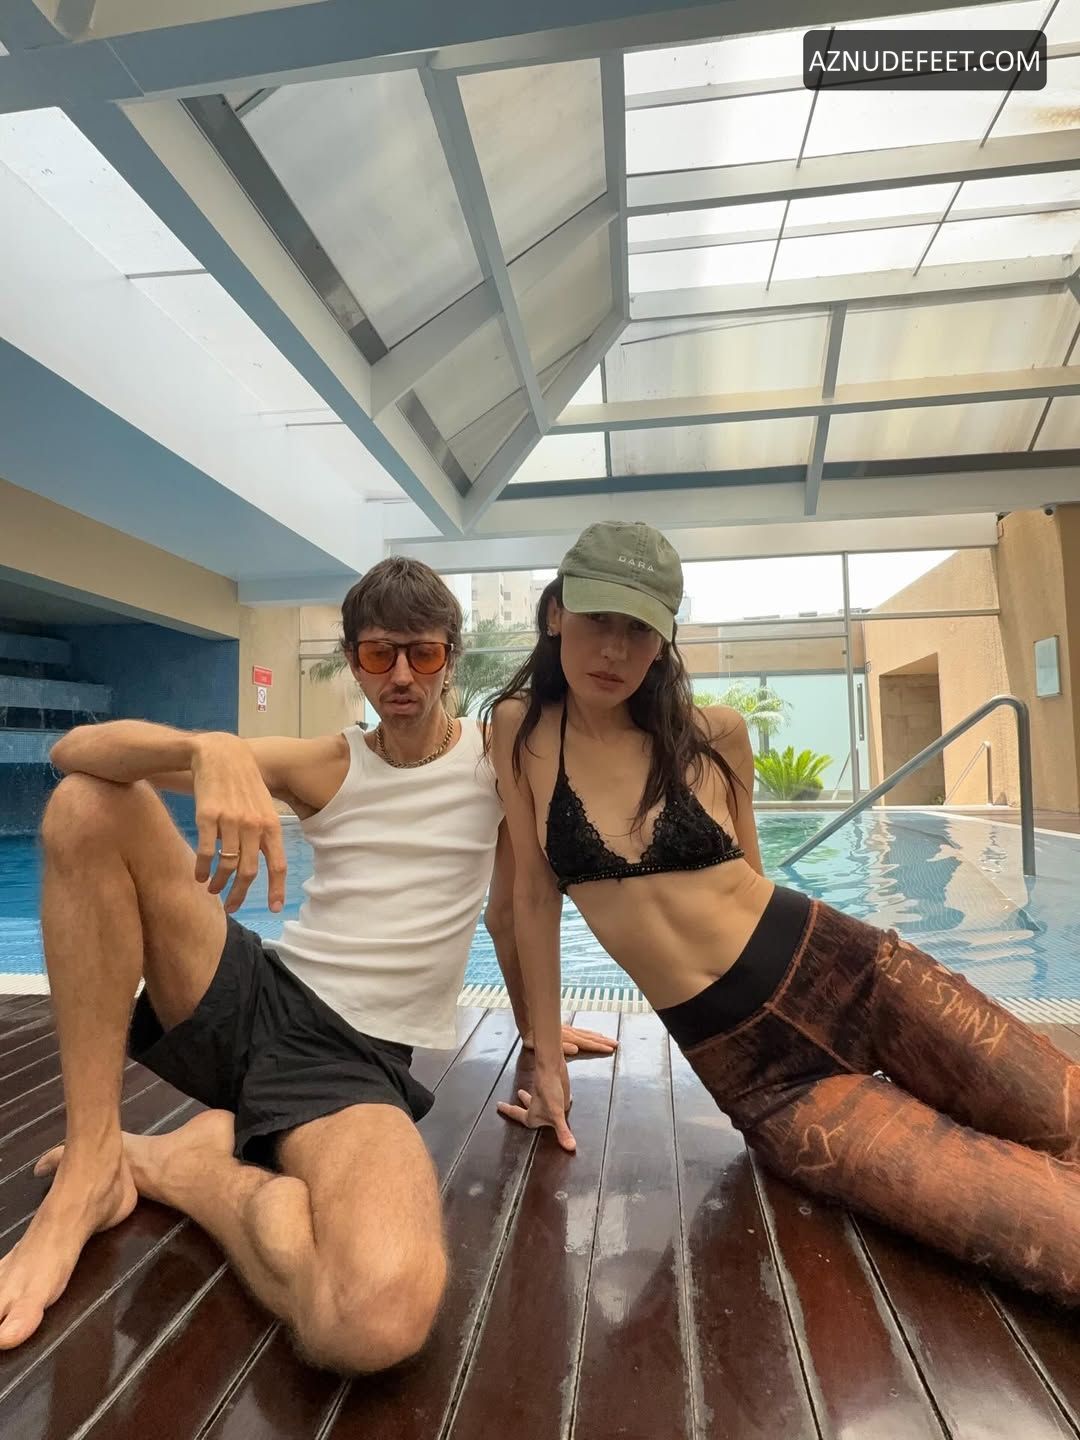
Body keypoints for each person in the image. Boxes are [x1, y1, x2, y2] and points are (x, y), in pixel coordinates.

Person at [0, 556, 613, 1369]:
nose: (401, 676)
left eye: (423, 653)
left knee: (376, 1318)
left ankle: (177, 1168)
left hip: (350, 1062)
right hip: (251, 994)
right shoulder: (323, 764)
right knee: (84, 804)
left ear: (452, 658)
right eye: (378, 655)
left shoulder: (492, 760)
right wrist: (208, 747)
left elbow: (515, 909)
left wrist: (539, 1038)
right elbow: (75, 749)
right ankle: (92, 1164)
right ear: (355, 663)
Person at [488, 519, 1080, 1306]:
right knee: (1053, 1240)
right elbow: (531, 896)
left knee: (1069, 1114)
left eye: (640, 630)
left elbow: (755, 876)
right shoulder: (519, 731)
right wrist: (547, 1061)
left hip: (856, 972)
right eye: (598, 620)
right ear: (557, 611)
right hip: (767, 1080)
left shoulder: (712, 734)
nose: (614, 651)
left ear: (663, 642)